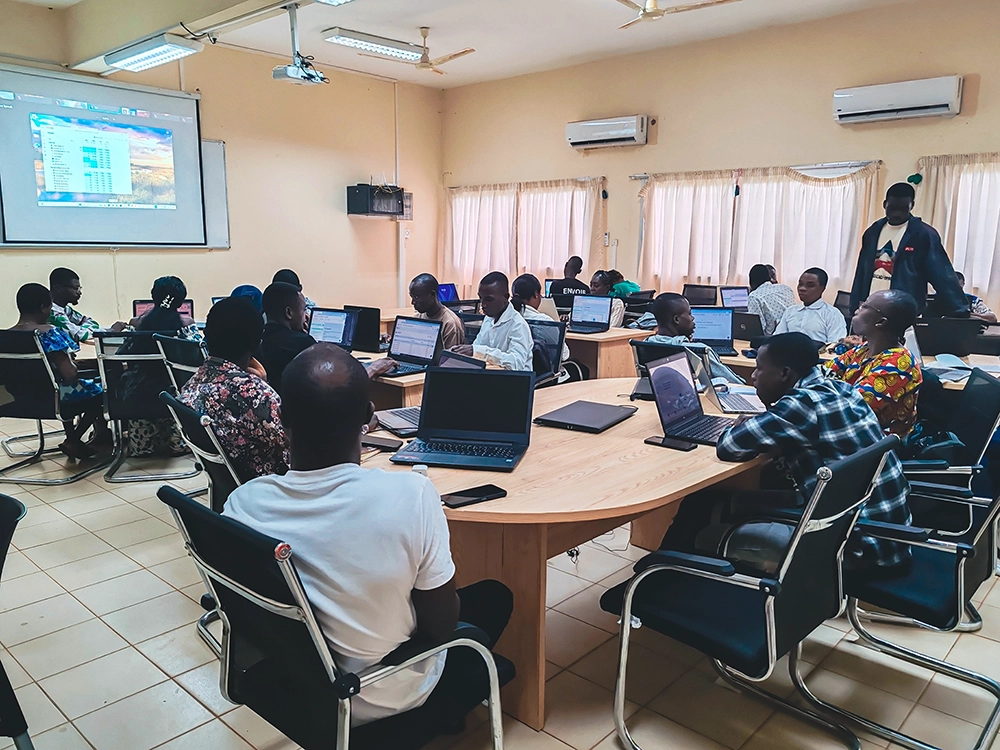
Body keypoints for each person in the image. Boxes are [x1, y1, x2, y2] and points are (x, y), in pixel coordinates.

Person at [222, 344, 513, 735]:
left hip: (292, 681)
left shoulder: (242, 505)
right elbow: (441, 628)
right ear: (367, 417)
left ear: (282, 417)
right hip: (375, 693)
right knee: (493, 600)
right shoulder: (411, 495)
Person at [661, 332, 913, 576]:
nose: (754, 378)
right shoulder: (841, 390)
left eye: (759, 369)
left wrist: (737, 425)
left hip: (853, 548)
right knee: (722, 500)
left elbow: (729, 447)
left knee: (701, 504)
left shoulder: (801, 405)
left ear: (784, 374)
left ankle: (661, 582)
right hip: (887, 536)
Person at [179, 296, 288, 480]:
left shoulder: (192, 384)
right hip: (271, 486)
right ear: (256, 343)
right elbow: (291, 443)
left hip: (232, 485)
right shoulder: (254, 393)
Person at [7, 283, 110, 460]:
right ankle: (74, 439)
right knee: (103, 390)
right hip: (52, 399)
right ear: (43, 307)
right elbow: (70, 374)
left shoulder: (5, 336)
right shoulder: (49, 333)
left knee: (61, 387)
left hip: (17, 398)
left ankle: (73, 441)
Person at [850, 183, 968, 318]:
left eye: (903, 209)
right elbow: (861, 272)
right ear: (884, 204)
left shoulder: (923, 235)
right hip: (871, 309)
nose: (897, 213)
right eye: (892, 208)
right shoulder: (872, 232)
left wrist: (960, 310)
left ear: (912, 205)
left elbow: (942, 275)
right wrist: (854, 306)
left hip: (904, 312)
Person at [119, 277, 201, 457]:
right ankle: (177, 441)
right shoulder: (186, 325)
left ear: (153, 297)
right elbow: (199, 359)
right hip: (174, 397)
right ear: (180, 301)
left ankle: (142, 444)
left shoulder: (136, 325)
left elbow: (121, 355)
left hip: (137, 397)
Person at [826, 290, 922, 436]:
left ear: (881, 322)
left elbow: (848, 410)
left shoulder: (898, 364)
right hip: (849, 433)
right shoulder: (864, 349)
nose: (857, 310)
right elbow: (822, 373)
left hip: (875, 447)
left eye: (865, 306)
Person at [645, 293, 744, 383]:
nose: (692, 318)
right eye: (689, 314)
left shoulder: (646, 344)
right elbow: (736, 383)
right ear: (676, 319)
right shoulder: (698, 351)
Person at [451, 272, 532, 371]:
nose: (483, 304)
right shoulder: (488, 319)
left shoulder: (518, 325)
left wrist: (480, 351)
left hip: (514, 382)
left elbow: (516, 363)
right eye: (481, 298)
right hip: (490, 377)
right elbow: (477, 347)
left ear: (505, 297)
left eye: (489, 299)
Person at [48, 267, 125, 343]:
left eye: (79, 288)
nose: (79, 292)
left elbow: (91, 322)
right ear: (58, 288)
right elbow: (79, 335)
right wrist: (111, 331)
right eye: (76, 288)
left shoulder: (65, 309)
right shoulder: (52, 313)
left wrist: (81, 329)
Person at [774, 267, 847, 344]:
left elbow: (835, 345)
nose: (802, 288)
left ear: (822, 289)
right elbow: (777, 339)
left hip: (817, 355)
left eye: (810, 285)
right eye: (800, 284)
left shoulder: (832, 314)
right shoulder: (790, 311)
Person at [511, 274, 571, 363]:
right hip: (545, 374)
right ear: (536, 294)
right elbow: (564, 355)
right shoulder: (545, 322)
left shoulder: (507, 318)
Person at [409, 274, 466, 350]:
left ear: (433, 294)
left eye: (416, 297)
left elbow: (450, 359)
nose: (412, 302)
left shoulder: (450, 323)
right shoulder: (419, 315)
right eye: (411, 296)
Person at [746, 263, 795, 336]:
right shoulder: (786, 288)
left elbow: (757, 330)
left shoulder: (754, 296)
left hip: (773, 340)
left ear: (751, 281)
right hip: (794, 335)